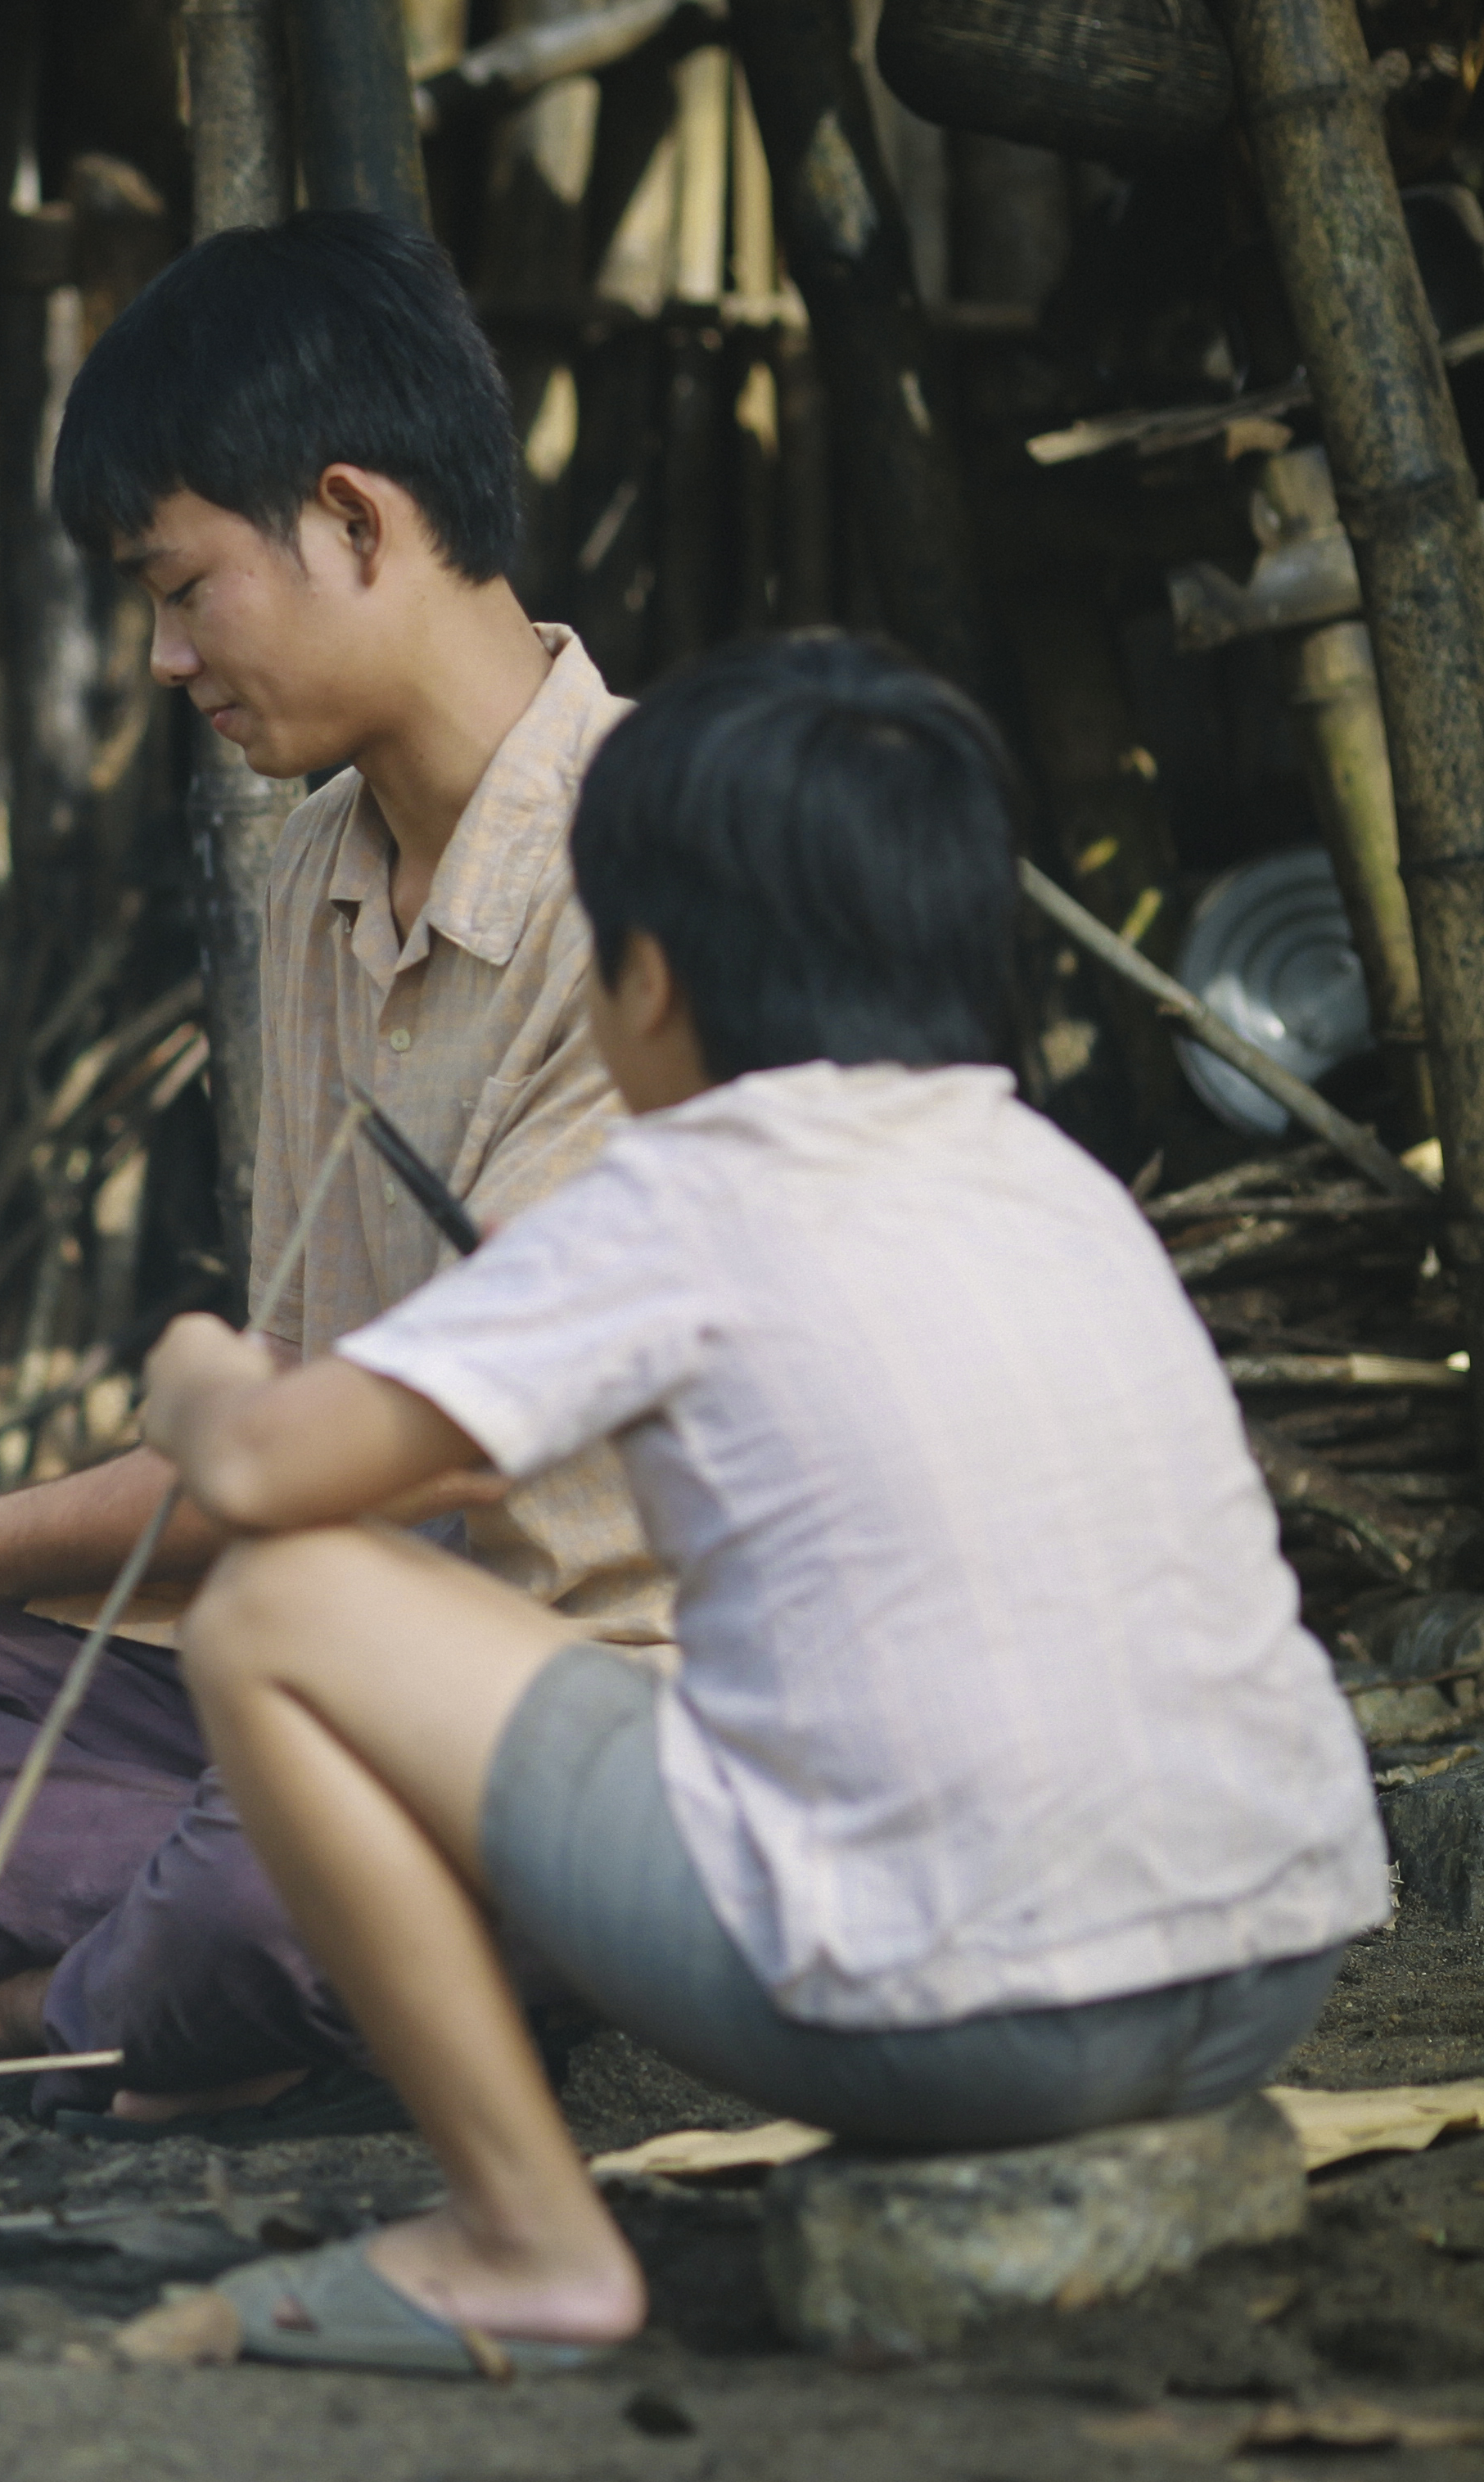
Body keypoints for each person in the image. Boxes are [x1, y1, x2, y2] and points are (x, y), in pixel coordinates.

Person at [135, 632, 1387, 2371]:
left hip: (974, 2024)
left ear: (640, 976)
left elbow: (269, 1468)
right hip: (1268, 1972)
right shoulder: (1049, 1174)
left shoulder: (683, 1188)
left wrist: (196, 1367)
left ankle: (524, 2236)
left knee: (273, 1605)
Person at [0, 206, 670, 2136]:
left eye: (183, 587)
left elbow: (408, 1438)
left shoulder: (663, 879)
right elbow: (289, 1428)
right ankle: (274, 1965)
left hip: (571, 1731)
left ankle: (21, 2005)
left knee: (248, 1881)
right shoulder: (312, 871)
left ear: (354, 518)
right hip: (295, 1685)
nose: (165, 655)